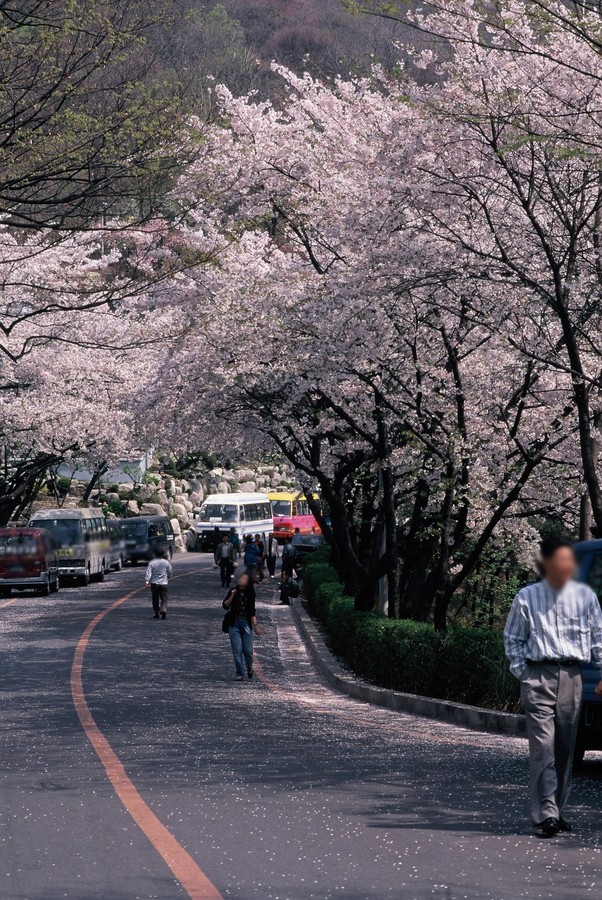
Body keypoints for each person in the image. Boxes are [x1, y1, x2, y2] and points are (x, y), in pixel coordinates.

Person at [504, 536, 602, 837]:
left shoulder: (585, 598)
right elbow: (513, 640)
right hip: (539, 675)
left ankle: (556, 811)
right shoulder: (526, 597)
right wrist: (525, 674)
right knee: (543, 747)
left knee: (564, 749)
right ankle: (545, 814)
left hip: (572, 677)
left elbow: (598, 639)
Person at [222, 572, 261, 681]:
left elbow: (252, 611)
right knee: (237, 650)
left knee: (248, 650)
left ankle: (249, 668)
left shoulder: (250, 593)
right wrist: (232, 596)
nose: (240, 580)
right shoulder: (233, 590)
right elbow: (225, 605)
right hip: (233, 623)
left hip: (246, 623)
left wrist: (255, 626)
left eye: (244, 578)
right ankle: (239, 672)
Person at [145, 547, 172, 620]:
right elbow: (169, 571)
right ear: (163, 554)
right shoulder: (166, 562)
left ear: (155, 555)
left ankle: (156, 613)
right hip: (163, 583)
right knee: (164, 598)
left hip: (154, 583)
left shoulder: (152, 562)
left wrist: (147, 581)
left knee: (155, 598)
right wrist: (169, 576)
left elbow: (149, 573)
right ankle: (163, 610)